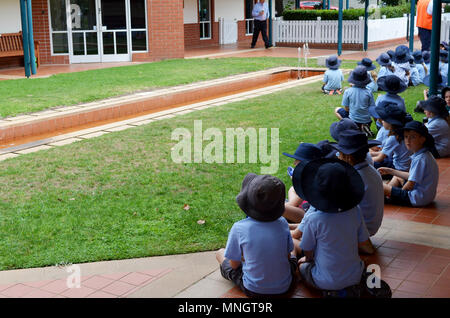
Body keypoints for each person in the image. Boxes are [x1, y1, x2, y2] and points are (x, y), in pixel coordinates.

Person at [290, 158, 370, 293]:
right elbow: (362, 241)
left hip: (324, 281)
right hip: (354, 276)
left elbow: (308, 250)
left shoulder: (314, 218)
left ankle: (331, 291)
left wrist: (307, 259)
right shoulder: (355, 211)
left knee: (302, 267)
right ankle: (354, 285)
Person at [216, 173, 297, 298]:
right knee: (293, 256)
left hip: (254, 290)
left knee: (220, 253)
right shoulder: (282, 223)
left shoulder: (239, 228)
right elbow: (287, 256)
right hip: (285, 287)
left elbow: (234, 265)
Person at [331, 130, 384, 253]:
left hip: (362, 230)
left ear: (348, 157)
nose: (338, 157)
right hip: (371, 226)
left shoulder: (354, 179)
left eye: (339, 154)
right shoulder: (370, 169)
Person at [378, 121, 439, 207]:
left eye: (413, 137)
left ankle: (386, 197)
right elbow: (412, 175)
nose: (408, 140)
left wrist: (399, 194)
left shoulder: (420, 159)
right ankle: (386, 197)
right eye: (406, 137)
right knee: (397, 177)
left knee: (380, 186)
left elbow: (410, 184)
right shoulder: (424, 154)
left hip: (417, 198)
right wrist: (390, 171)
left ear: (422, 139)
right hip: (426, 196)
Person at [283, 142, 323, 222]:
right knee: (292, 189)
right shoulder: (315, 175)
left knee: (276, 208)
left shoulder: (310, 182)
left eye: (297, 161)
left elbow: (292, 204)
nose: (294, 163)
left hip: (308, 215)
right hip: (306, 205)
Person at [370, 102, 412, 173]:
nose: (382, 121)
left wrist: (365, 160)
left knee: (371, 164)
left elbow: (379, 158)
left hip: (399, 167)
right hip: (407, 164)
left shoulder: (393, 138)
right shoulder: (403, 132)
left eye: (384, 120)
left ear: (391, 123)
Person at [335, 65, 376, 137]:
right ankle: (363, 127)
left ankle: (352, 127)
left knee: (337, 110)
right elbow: (372, 108)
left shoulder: (348, 91)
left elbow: (346, 109)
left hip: (353, 119)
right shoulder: (369, 92)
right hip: (367, 120)